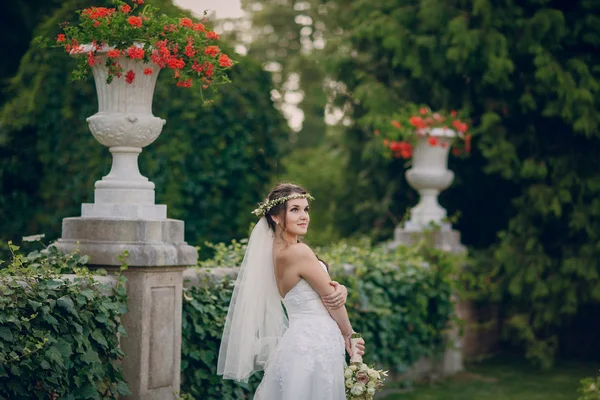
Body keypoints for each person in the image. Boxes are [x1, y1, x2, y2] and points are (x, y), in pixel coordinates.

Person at [217, 183, 365, 399]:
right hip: (316, 344)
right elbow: (331, 299)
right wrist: (350, 335)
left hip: (298, 342)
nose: (304, 216)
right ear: (276, 217)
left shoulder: (275, 253)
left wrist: (339, 288)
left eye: (306, 209)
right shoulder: (299, 252)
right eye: (295, 209)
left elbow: (320, 289)